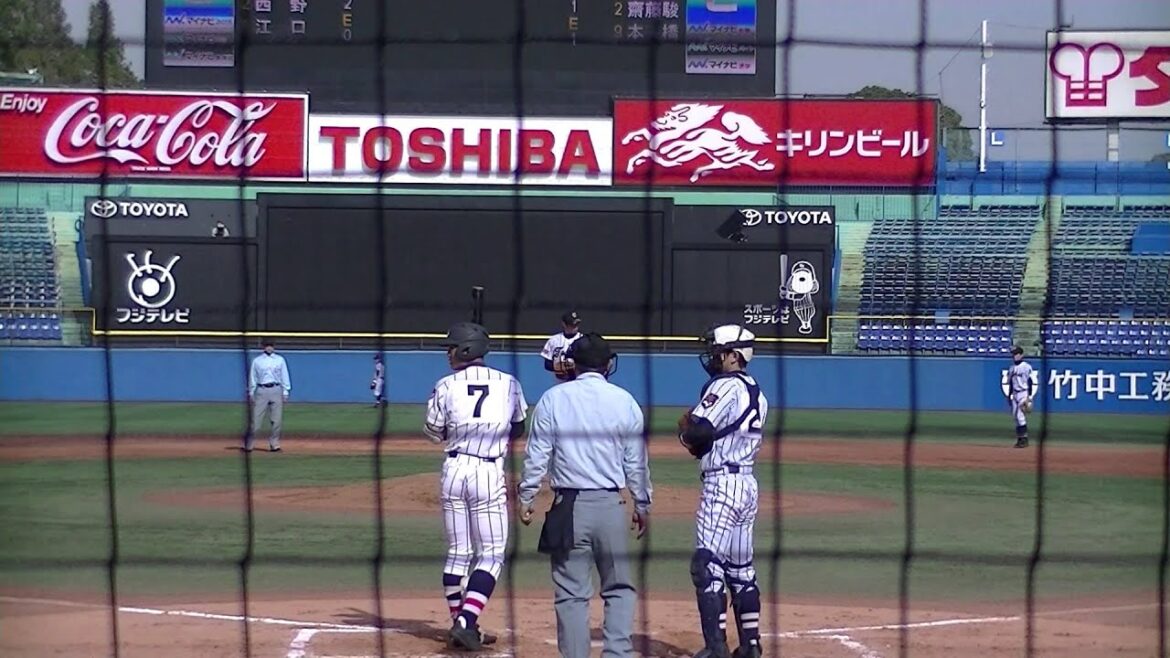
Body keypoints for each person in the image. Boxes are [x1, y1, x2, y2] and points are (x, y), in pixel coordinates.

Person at [518, 332, 652, 658]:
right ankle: (617, 654)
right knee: (619, 588)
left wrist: (527, 495)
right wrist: (642, 502)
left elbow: (538, 454)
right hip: (611, 507)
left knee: (571, 594)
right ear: (608, 364)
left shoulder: (553, 398)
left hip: (569, 508)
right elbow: (635, 462)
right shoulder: (624, 401)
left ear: (572, 364)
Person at [424, 322, 528, 651]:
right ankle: (466, 622)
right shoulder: (509, 383)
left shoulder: (445, 385)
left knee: (458, 553)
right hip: (487, 470)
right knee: (492, 554)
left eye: (452, 347)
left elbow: (433, 430)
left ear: (467, 349)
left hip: (454, 470)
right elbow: (519, 428)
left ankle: (461, 624)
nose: (448, 353)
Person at [677, 324, 769, 658]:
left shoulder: (725, 385)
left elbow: (698, 432)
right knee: (741, 570)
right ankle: (751, 645)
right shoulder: (758, 392)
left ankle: (715, 648)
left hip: (722, 486)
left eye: (718, 352)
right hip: (747, 485)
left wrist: (685, 433)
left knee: (707, 566)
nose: (713, 358)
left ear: (733, 355)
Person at [245, 338, 291, 453]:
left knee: (276, 420)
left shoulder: (280, 360)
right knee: (256, 420)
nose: (269, 348)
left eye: (271, 345)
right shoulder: (257, 361)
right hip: (262, 390)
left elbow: (284, 375)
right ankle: (249, 444)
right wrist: (251, 391)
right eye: (267, 345)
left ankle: (274, 444)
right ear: (263, 347)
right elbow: (253, 377)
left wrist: (286, 391)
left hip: (276, 389)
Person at [540, 310, 584, 382]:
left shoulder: (583, 340)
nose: (575, 327)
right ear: (564, 324)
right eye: (572, 325)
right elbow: (547, 364)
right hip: (560, 382)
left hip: (579, 381)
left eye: (577, 324)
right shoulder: (554, 340)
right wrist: (561, 366)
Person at [1006, 346, 1034, 448]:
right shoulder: (1011, 368)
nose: (1014, 356)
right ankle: (1020, 439)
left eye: (1016, 354)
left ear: (1021, 355)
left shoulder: (1026, 367)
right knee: (1015, 416)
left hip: (1023, 393)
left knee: (1020, 416)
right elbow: (1011, 383)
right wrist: (1009, 395)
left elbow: (1030, 381)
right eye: (1013, 354)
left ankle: (1024, 439)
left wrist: (1029, 396)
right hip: (1015, 394)